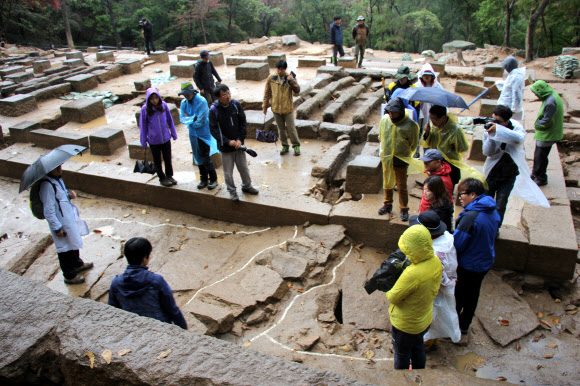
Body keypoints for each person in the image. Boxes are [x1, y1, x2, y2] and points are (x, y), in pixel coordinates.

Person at [483, 105, 550, 230]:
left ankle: (495, 229)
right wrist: (491, 136)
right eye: (494, 119)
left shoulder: (516, 128)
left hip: (509, 174)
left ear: (506, 121)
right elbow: (487, 152)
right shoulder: (491, 127)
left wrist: (499, 130)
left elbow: (518, 138)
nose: (494, 123)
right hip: (492, 173)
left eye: (498, 121)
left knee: (500, 205)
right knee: (486, 203)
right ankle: (484, 228)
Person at [386, 224, 442, 370]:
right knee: (418, 347)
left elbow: (393, 297)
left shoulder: (412, 274)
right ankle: (419, 372)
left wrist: (391, 282)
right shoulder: (435, 261)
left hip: (406, 325)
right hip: (424, 319)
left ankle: (403, 378)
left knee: (402, 353)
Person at [453, 178, 500, 343]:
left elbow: (458, 244)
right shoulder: (492, 210)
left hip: (469, 264)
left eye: (462, 194)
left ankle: (453, 328)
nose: (459, 197)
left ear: (473, 195)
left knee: (458, 295)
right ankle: (465, 325)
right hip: (485, 260)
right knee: (473, 294)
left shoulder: (470, 217)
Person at [108, 237, 187, 329]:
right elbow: (172, 309)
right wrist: (183, 327)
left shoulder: (116, 283)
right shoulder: (156, 281)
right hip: (160, 326)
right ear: (145, 258)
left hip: (132, 327)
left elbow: (113, 309)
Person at [409, 211, 460, 350]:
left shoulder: (435, 253)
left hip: (434, 288)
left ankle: (425, 344)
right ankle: (433, 341)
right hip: (444, 284)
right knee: (437, 315)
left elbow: (439, 275)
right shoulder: (447, 239)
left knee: (428, 317)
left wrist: (449, 283)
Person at [40, 164, 92, 285]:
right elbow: (48, 210)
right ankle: (69, 275)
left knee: (73, 243)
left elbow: (60, 196)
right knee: (65, 250)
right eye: (55, 167)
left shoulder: (57, 179)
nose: (59, 169)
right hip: (60, 223)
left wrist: (68, 195)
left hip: (68, 219)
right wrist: (56, 227)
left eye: (60, 166)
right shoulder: (47, 185)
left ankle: (77, 264)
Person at [209, 84, 259, 201]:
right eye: (224, 95)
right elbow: (214, 130)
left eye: (229, 93)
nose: (228, 97)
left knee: (244, 168)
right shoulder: (214, 110)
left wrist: (239, 139)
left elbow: (243, 123)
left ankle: (247, 186)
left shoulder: (236, 105)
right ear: (218, 98)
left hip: (238, 145)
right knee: (228, 172)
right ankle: (232, 191)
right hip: (226, 147)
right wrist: (227, 142)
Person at [378, 97, 423, 221]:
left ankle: (404, 208)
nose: (391, 114)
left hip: (401, 159)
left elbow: (413, 144)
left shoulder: (411, 125)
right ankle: (387, 203)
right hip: (387, 157)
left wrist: (403, 152)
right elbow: (381, 135)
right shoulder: (385, 120)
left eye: (394, 112)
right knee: (387, 181)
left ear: (401, 111)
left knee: (402, 185)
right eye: (390, 112)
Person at [422, 105, 485, 190]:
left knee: (446, 190)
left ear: (443, 118)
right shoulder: (433, 127)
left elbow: (463, 148)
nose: (432, 121)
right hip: (436, 164)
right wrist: (427, 133)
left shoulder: (455, 130)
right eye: (431, 118)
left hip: (450, 165)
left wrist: (452, 146)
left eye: (435, 119)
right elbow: (427, 143)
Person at [179, 82, 219, 190]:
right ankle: (203, 179)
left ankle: (214, 179)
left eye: (188, 94)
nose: (186, 96)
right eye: (184, 94)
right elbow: (182, 118)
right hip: (193, 134)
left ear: (193, 92)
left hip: (203, 133)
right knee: (197, 156)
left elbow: (201, 120)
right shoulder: (184, 103)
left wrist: (190, 120)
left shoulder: (201, 101)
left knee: (205, 156)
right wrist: (193, 119)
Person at [140, 88, 178, 187]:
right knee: (157, 161)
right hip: (154, 141)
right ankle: (162, 178)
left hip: (165, 138)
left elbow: (170, 120)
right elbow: (143, 125)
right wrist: (143, 140)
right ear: (149, 99)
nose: (155, 100)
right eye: (152, 99)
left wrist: (173, 133)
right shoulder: (145, 109)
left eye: (156, 98)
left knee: (168, 159)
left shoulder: (164, 105)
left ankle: (169, 176)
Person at [263, 60, 301, 156]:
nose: (280, 72)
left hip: (287, 108)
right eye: (278, 69)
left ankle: (296, 145)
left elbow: (297, 90)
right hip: (276, 108)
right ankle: (285, 145)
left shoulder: (289, 77)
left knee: (291, 128)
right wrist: (265, 106)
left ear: (285, 69)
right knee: (280, 129)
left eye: (282, 70)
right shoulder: (271, 78)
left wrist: (292, 81)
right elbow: (267, 93)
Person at [530, 80, 564, 186]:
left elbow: (547, 120)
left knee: (540, 156)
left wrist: (538, 125)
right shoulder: (552, 96)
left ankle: (541, 177)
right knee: (538, 154)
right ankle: (535, 173)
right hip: (549, 131)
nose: (535, 95)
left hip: (547, 133)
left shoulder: (550, 102)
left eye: (536, 92)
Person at [414, 63, 444, 157]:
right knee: (417, 133)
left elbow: (442, 98)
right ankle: (416, 153)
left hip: (432, 114)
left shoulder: (437, 86)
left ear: (432, 76)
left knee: (430, 134)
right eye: (425, 75)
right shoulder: (417, 86)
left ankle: (428, 154)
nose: (427, 77)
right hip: (420, 113)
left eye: (429, 75)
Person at [497, 56, 525, 122]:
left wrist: (514, 109)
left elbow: (517, 94)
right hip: (505, 105)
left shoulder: (516, 76)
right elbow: (510, 85)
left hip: (509, 108)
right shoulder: (513, 74)